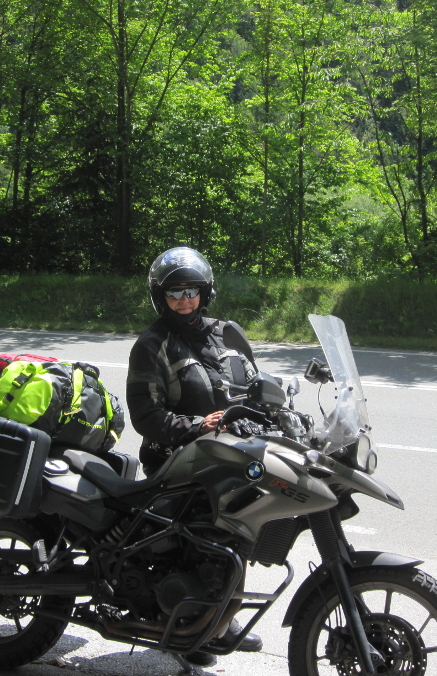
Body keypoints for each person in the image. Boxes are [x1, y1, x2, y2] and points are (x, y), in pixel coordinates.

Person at [126, 246, 262, 666]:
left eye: (192, 291)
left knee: (247, 521)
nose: (185, 300)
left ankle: (221, 612)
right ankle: (187, 622)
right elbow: (145, 416)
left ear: (206, 292)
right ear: (160, 297)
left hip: (229, 453)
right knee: (205, 532)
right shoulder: (152, 345)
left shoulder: (227, 333)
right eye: (175, 293)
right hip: (177, 459)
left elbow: (256, 387)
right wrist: (199, 425)